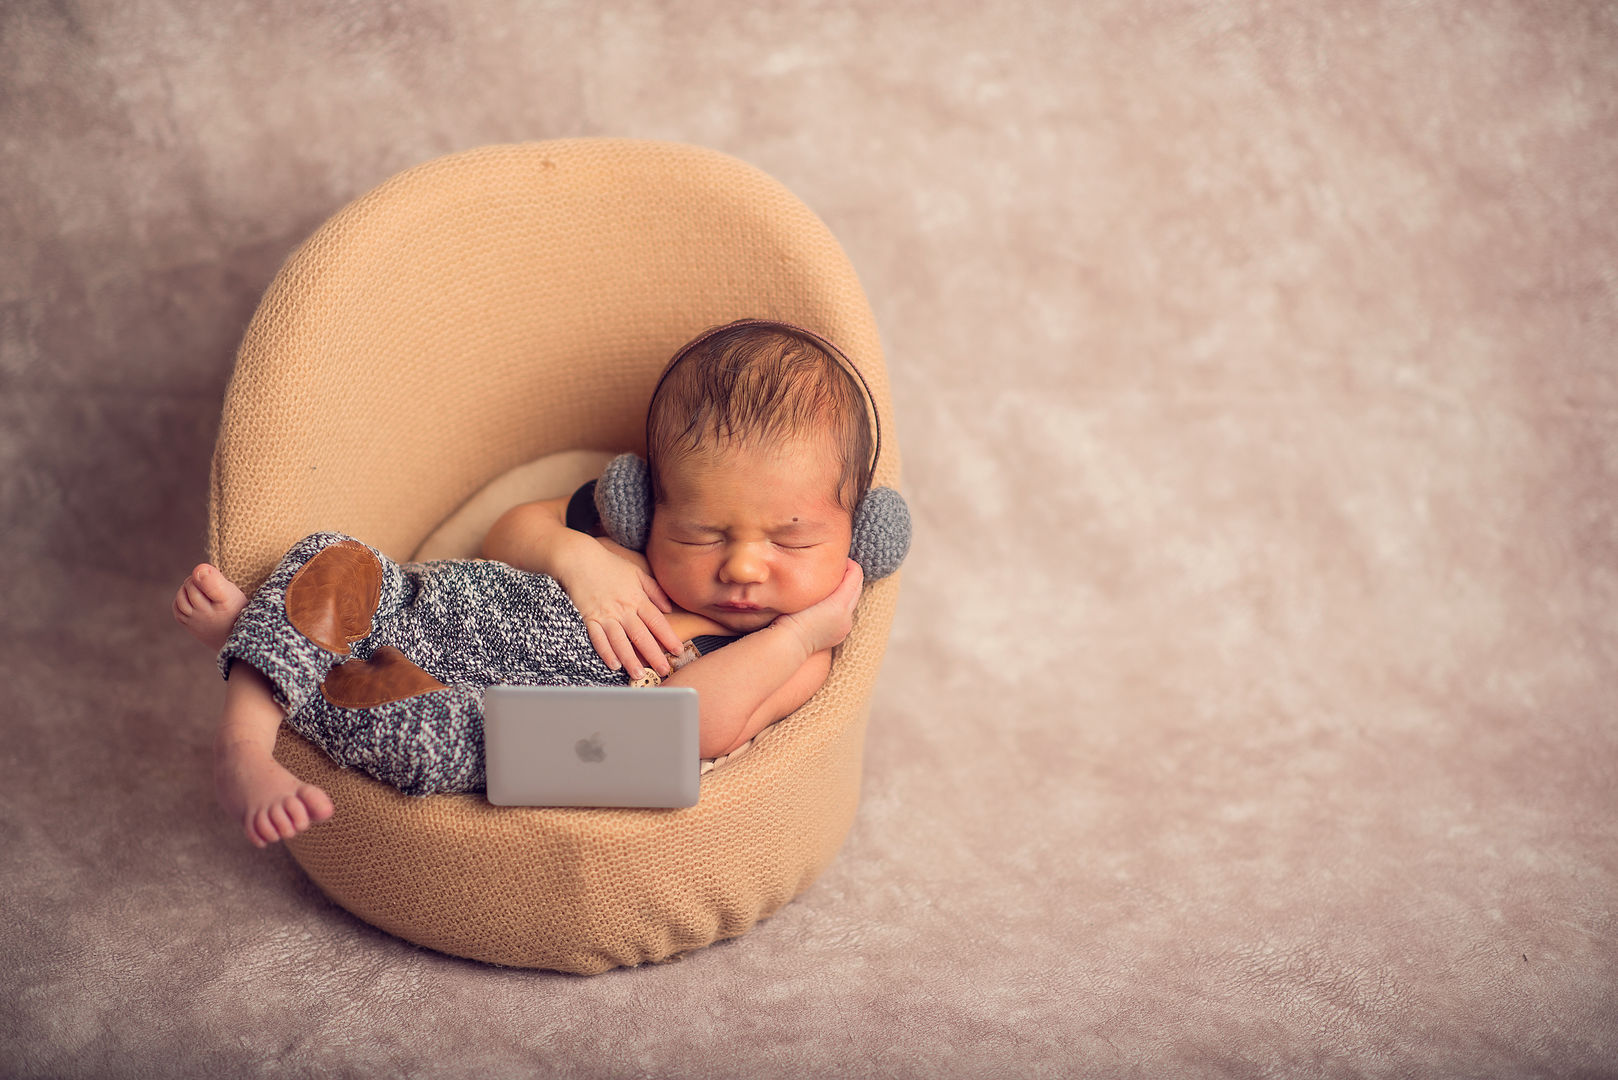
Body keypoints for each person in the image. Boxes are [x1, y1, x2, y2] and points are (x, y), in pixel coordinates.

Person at [173, 321, 873, 848]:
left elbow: (704, 724)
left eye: (792, 540)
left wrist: (803, 633)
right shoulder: (623, 528)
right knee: (334, 556)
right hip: (436, 604)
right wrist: (580, 558)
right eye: (702, 533)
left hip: (485, 710)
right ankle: (251, 707)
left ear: (856, 533)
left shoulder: (795, 652)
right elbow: (510, 532)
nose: (744, 567)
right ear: (650, 503)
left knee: (415, 737)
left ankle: (258, 674)